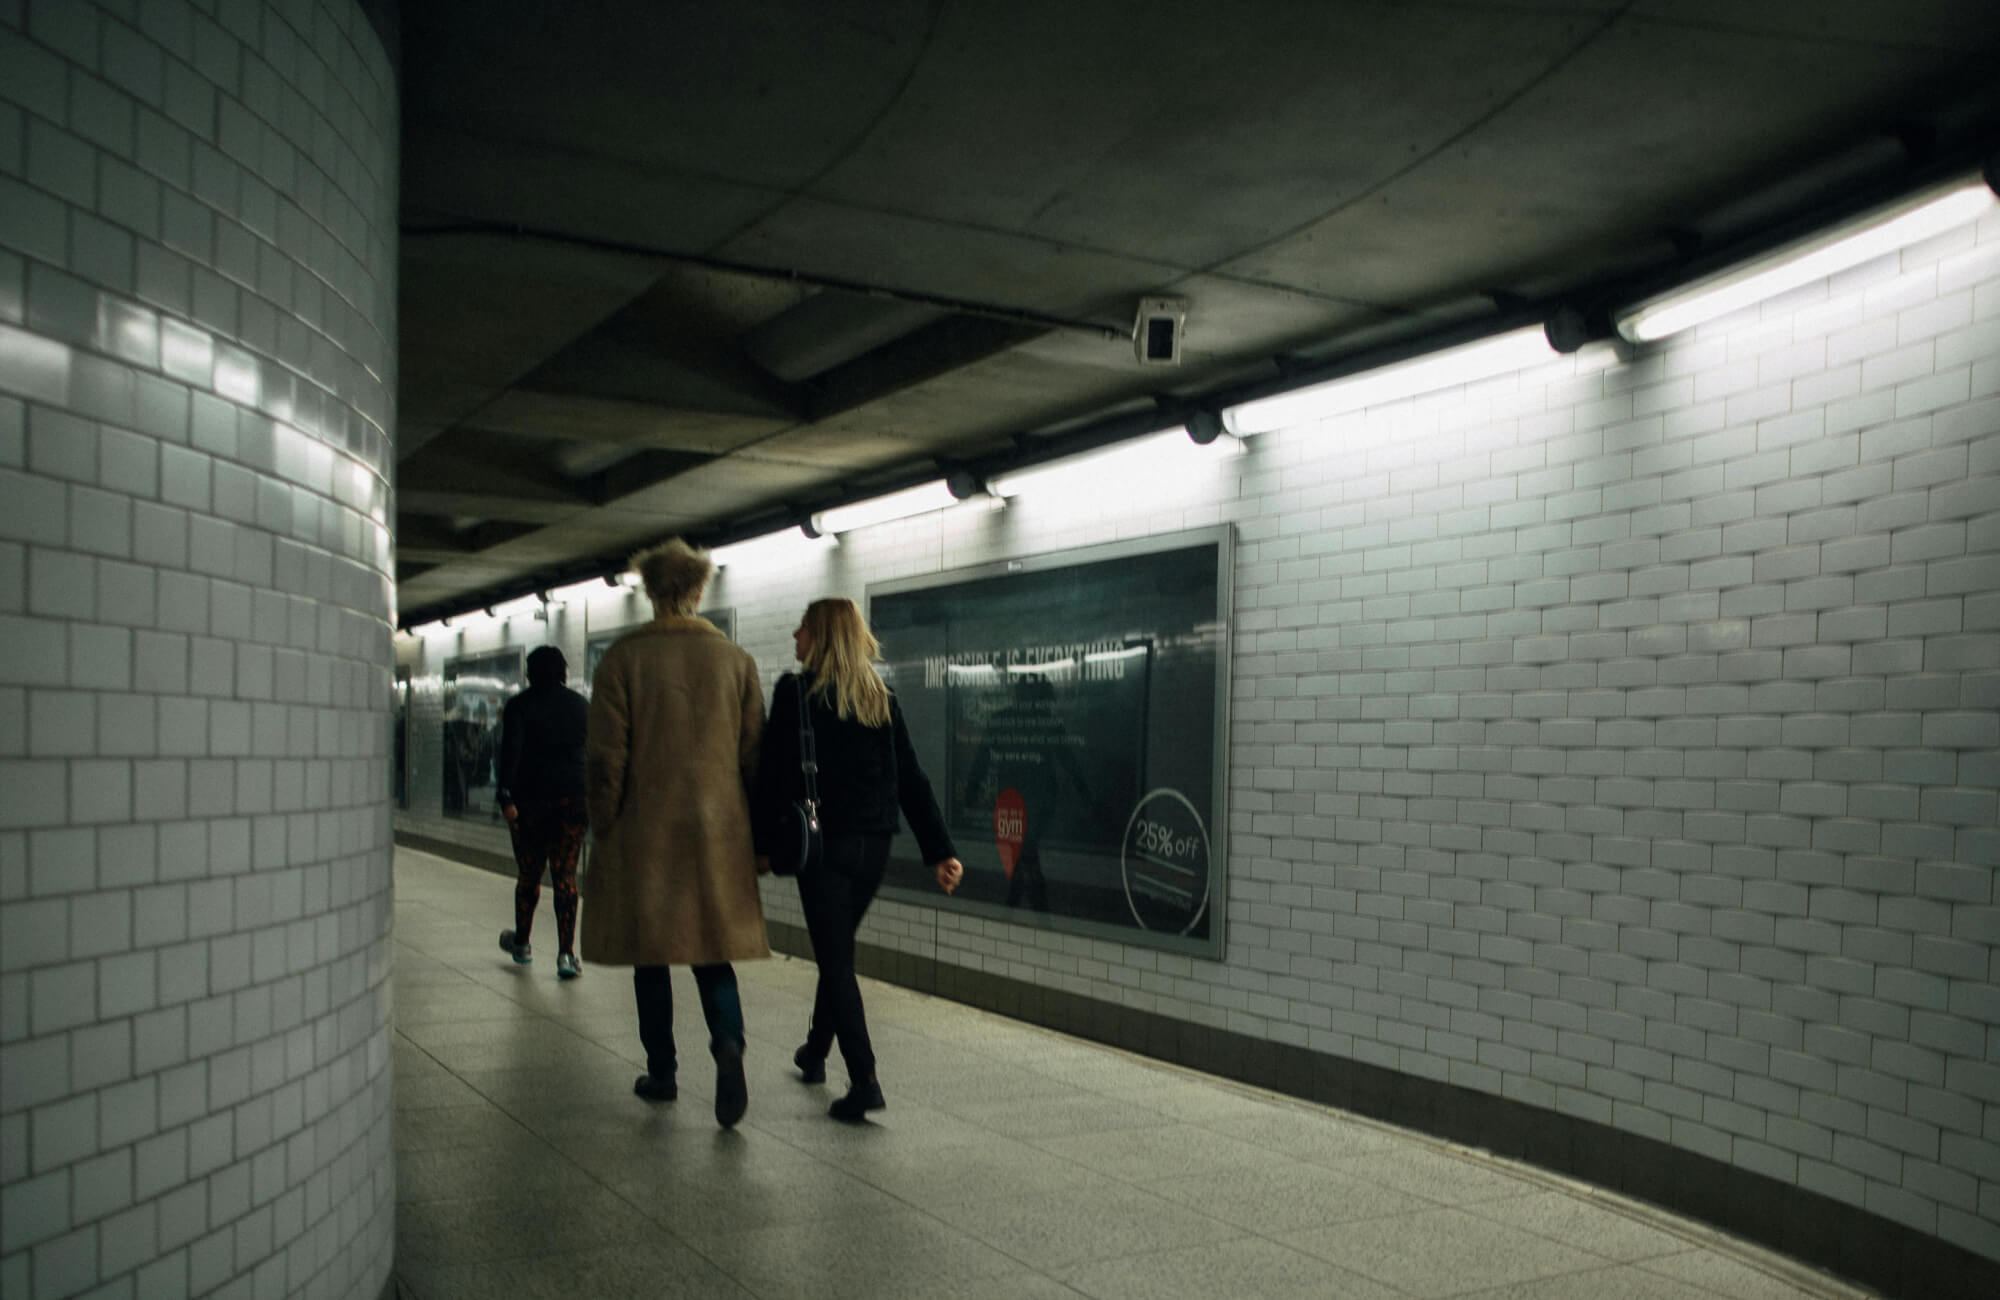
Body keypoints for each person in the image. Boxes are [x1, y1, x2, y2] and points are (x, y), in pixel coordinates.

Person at [756, 597, 964, 1122]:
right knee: (838, 948)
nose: (795, 637)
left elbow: (773, 777)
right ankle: (815, 1050)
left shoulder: (796, 693)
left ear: (821, 635)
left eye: (803, 628)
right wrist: (939, 850)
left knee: (835, 959)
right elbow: (911, 779)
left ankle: (865, 1079)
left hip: (822, 844)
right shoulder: (880, 697)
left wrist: (759, 844)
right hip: (875, 846)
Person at [582, 539, 768, 1128]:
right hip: (720, 833)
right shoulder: (736, 661)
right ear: (699, 590)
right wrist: (756, 837)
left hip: (646, 832)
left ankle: (662, 1071)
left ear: (649, 591)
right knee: (712, 952)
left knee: (652, 955)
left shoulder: (621, 659)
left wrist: (604, 821)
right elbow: (755, 760)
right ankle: (729, 1044)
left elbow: (606, 759)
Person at [495, 646, 590, 978]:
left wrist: (505, 797)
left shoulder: (519, 706)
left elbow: (511, 754)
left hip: (529, 805)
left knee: (530, 875)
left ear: (530, 671)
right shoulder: (580, 706)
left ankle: (521, 943)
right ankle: (566, 955)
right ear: (563, 671)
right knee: (565, 876)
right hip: (573, 803)